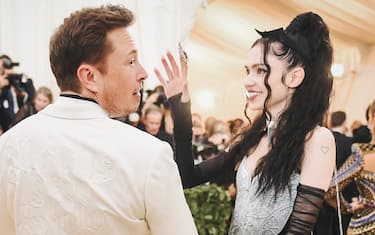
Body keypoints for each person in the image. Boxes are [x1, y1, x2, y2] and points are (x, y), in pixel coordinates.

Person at [0, 5, 197, 235]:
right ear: (89, 76)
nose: (143, 73)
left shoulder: (8, 146)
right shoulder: (150, 155)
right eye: (131, 61)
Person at [155, 12, 336, 234]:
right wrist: (181, 107)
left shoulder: (317, 139)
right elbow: (187, 177)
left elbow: (299, 230)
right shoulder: (251, 137)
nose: (248, 81)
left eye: (261, 70)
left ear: (294, 77)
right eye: (247, 71)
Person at [326, 98, 375, 234]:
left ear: (372, 117)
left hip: (365, 226)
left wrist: (347, 207)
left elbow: (331, 190)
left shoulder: (363, 153)